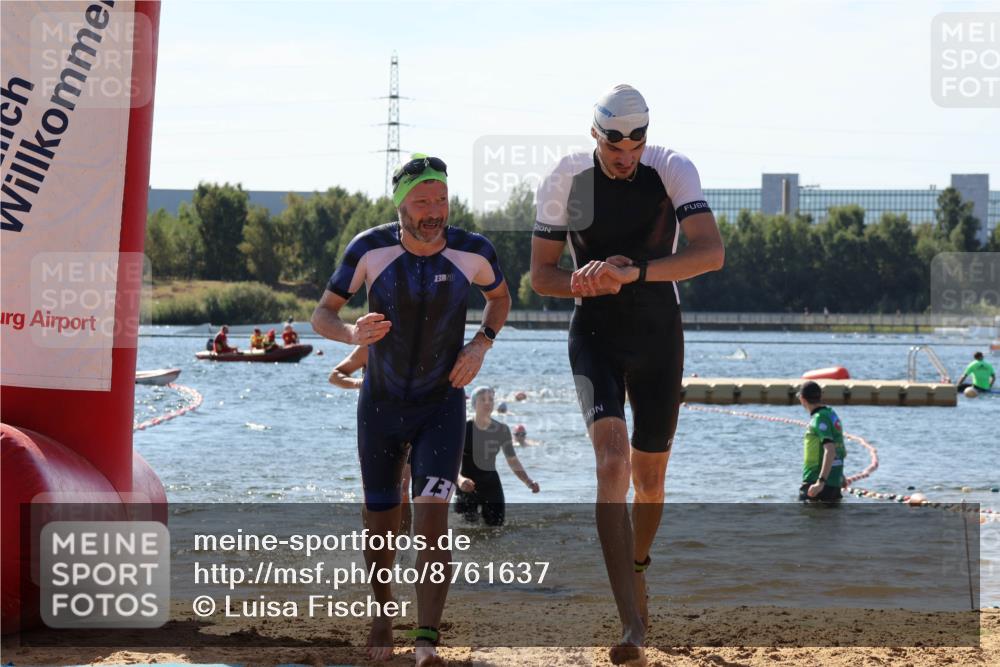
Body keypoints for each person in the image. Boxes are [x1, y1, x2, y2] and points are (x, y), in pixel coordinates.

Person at [529, 84, 724, 666]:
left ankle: (640, 566)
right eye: (615, 141)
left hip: (659, 334)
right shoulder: (567, 179)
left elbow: (710, 252)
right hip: (595, 336)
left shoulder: (671, 169)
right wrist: (583, 281)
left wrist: (633, 271)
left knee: (651, 481)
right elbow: (540, 276)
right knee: (611, 464)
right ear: (595, 135)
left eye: (636, 140)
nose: (626, 152)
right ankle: (631, 624)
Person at [311, 152, 511, 666]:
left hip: (441, 406)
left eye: (441, 199)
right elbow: (322, 315)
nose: (434, 211)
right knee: (380, 525)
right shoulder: (369, 249)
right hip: (379, 406)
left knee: (431, 521)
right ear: (400, 204)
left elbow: (500, 299)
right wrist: (352, 333)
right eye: (422, 201)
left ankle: (426, 639)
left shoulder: (474, 251)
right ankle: (382, 612)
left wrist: (481, 344)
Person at [329, 344, 413, 537]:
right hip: (377, 426)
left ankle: (402, 546)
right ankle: (373, 539)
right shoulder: (370, 346)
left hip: (411, 424)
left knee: (403, 488)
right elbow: (335, 375)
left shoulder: (416, 341)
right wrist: (361, 383)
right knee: (373, 492)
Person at [455, 387, 540, 527]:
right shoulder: (463, 428)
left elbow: (512, 461)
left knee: (496, 530)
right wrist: (459, 480)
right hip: (466, 486)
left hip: (491, 486)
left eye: (491, 399)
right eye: (483, 400)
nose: (487, 403)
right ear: (474, 403)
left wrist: (528, 481)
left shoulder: (502, 430)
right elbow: (451, 462)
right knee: (465, 531)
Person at [797, 381, 846, 502]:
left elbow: (830, 450)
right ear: (820, 397)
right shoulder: (831, 414)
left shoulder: (819, 418)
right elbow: (839, 447)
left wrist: (820, 482)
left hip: (816, 482)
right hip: (834, 482)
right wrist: (840, 475)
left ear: (802, 399)